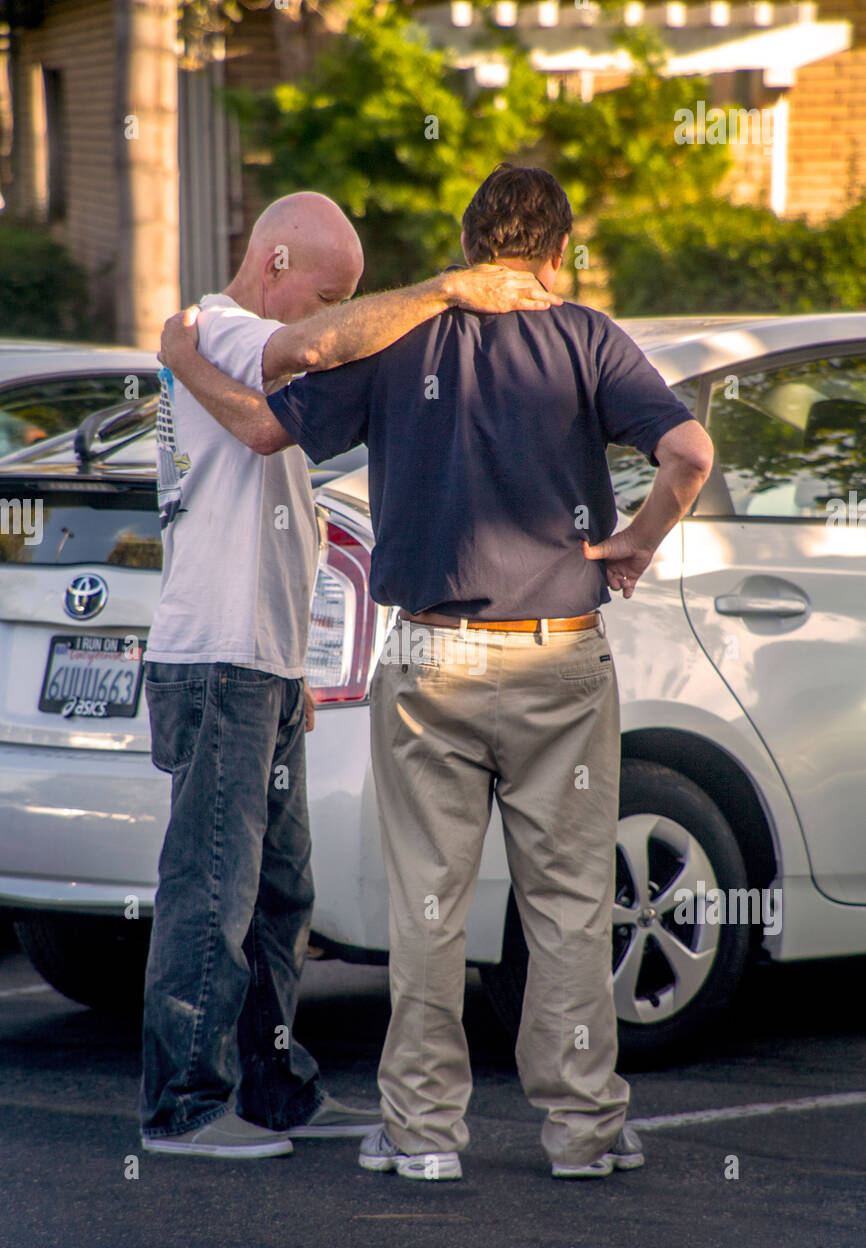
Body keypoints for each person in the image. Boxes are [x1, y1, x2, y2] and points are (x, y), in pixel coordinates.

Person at [158, 167, 713, 1179]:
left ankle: (420, 1135)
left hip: (428, 664)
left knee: (428, 906)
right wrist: (632, 540)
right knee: (571, 906)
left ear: (468, 243)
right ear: (555, 256)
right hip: (561, 656)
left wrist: (182, 354)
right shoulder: (589, 338)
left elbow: (267, 422)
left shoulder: (402, 338)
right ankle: (583, 1130)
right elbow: (687, 450)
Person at [142, 190, 560, 1158]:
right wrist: (450, 291)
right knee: (212, 885)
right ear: (277, 265)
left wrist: (293, 676)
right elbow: (310, 356)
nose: (331, 315)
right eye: (325, 294)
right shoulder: (225, 327)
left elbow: (270, 438)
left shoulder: (203, 345)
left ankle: (276, 1088)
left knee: (281, 894)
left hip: (261, 665)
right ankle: (184, 1107)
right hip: (218, 659)